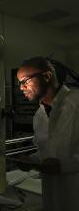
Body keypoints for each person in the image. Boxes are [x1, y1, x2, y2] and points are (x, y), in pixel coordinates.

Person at [16, 56, 79, 211]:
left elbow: (62, 160)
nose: (21, 88)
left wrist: (64, 166)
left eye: (25, 80)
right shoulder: (39, 116)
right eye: (19, 83)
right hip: (53, 198)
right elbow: (46, 152)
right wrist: (31, 160)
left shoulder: (76, 103)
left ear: (47, 76)